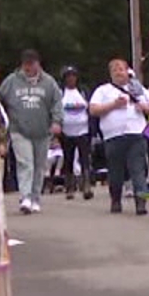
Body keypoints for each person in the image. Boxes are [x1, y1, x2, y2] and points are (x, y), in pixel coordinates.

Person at [90, 57, 149, 215]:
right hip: (113, 136)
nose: (118, 72)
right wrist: (114, 104)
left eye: (121, 69)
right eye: (114, 70)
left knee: (138, 170)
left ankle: (140, 202)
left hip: (136, 134)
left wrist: (143, 107)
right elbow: (93, 110)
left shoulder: (138, 89)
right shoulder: (103, 90)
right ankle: (115, 200)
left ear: (127, 70)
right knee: (115, 171)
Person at [0, 49, 63, 214]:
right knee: (25, 163)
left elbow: (57, 102)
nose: (28, 68)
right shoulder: (12, 81)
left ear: (37, 64)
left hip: (42, 131)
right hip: (19, 129)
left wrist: (57, 121)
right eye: (25, 65)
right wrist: (2, 119)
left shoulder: (48, 82)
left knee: (39, 165)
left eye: (31, 64)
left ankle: (35, 197)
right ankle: (25, 196)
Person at [57, 67, 94, 200]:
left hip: (83, 131)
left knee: (85, 158)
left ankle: (86, 185)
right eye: (68, 77)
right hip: (66, 132)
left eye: (73, 76)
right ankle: (70, 187)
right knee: (68, 159)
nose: (71, 79)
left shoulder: (83, 92)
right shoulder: (61, 93)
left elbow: (90, 107)